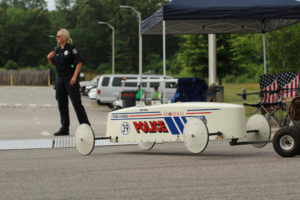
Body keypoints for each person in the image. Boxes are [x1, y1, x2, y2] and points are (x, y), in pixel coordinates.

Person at [47, 28, 90, 136]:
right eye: (57, 36)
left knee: (76, 103)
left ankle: (85, 126)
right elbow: (55, 65)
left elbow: (79, 63)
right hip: (60, 79)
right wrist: (49, 58)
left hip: (70, 78)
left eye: (58, 36)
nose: (57, 38)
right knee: (62, 104)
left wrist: (75, 77)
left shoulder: (71, 48)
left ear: (64, 37)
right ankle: (64, 128)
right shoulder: (57, 50)